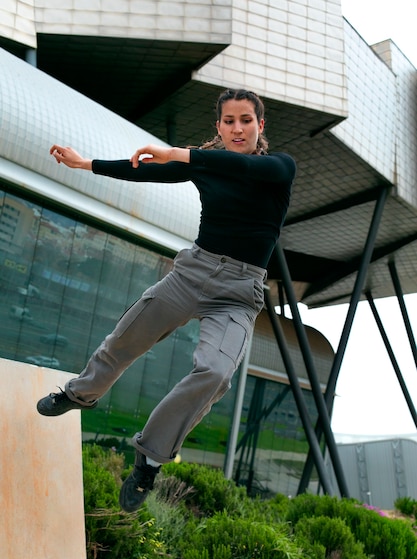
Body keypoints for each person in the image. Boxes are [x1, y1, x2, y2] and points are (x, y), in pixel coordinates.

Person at [37, 88, 296, 512]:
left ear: (260, 125)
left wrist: (179, 152)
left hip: (238, 294)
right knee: (127, 338)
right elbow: (146, 172)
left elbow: (233, 167)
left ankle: (150, 458)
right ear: (218, 126)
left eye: (245, 120)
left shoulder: (279, 167)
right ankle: (80, 394)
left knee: (216, 372)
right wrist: (87, 164)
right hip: (192, 273)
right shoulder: (205, 165)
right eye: (228, 121)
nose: (236, 128)